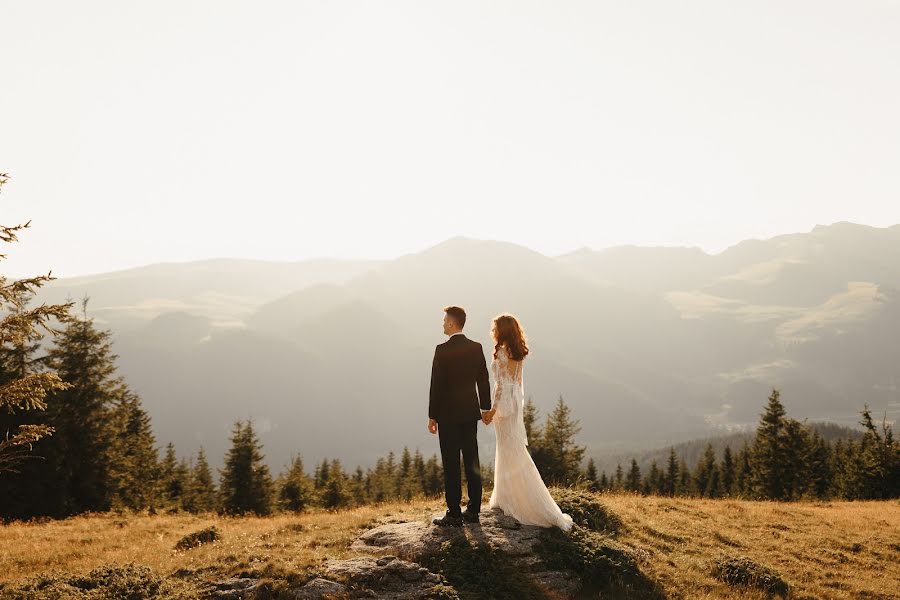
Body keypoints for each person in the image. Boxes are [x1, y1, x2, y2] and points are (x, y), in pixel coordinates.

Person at [482, 313, 573, 531]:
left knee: (507, 450)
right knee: (513, 451)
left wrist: (492, 410)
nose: (492, 331)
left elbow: (500, 385)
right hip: (514, 404)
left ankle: (514, 501)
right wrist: (515, 409)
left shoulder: (502, 352)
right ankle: (509, 497)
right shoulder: (518, 352)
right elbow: (518, 384)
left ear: (501, 330)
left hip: (504, 404)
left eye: (494, 328)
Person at [428, 305, 492, 527]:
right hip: (469, 414)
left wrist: (432, 416)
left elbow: (437, 386)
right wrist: (485, 408)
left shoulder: (441, 350)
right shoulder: (476, 347)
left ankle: (454, 513)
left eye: (445, 320)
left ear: (453, 323)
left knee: (451, 464)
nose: (443, 324)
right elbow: (483, 379)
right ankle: (473, 511)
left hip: (447, 416)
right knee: (472, 461)